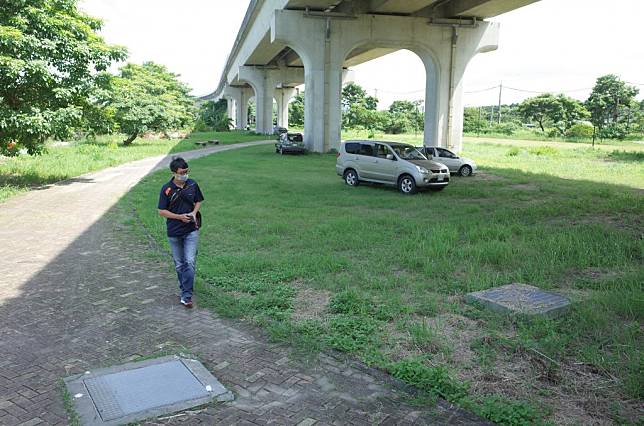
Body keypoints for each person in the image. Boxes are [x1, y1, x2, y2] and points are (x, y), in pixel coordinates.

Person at [158, 157, 204, 308]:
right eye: (182, 172)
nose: (185, 174)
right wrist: (179, 217)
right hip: (174, 231)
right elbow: (161, 211)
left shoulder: (192, 184)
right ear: (174, 173)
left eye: (187, 171)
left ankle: (186, 295)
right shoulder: (167, 189)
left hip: (191, 230)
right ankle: (185, 287)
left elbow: (198, 200)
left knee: (189, 262)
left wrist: (193, 212)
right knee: (179, 264)